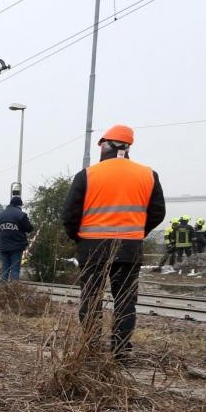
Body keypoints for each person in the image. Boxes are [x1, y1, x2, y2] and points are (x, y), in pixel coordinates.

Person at [61, 123, 167, 360]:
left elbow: (69, 214)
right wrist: (139, 232)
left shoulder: (87, 175)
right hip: (129, 248)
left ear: (105, 146)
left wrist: (78, 238)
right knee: (126, 301)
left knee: (91, 298)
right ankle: (121, 351)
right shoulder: (148, 175)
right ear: (127, 147)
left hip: (92, 247)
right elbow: (158, 212)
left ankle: (90, 347)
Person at [0, 196, 34, 282]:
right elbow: (29, 228)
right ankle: (13, 290)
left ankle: (2, 290)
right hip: (17, 246)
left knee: (5, 268)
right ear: (19, 205)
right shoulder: (21, 215)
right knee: (15, 268)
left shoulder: (0, 215)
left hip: (3, 246)